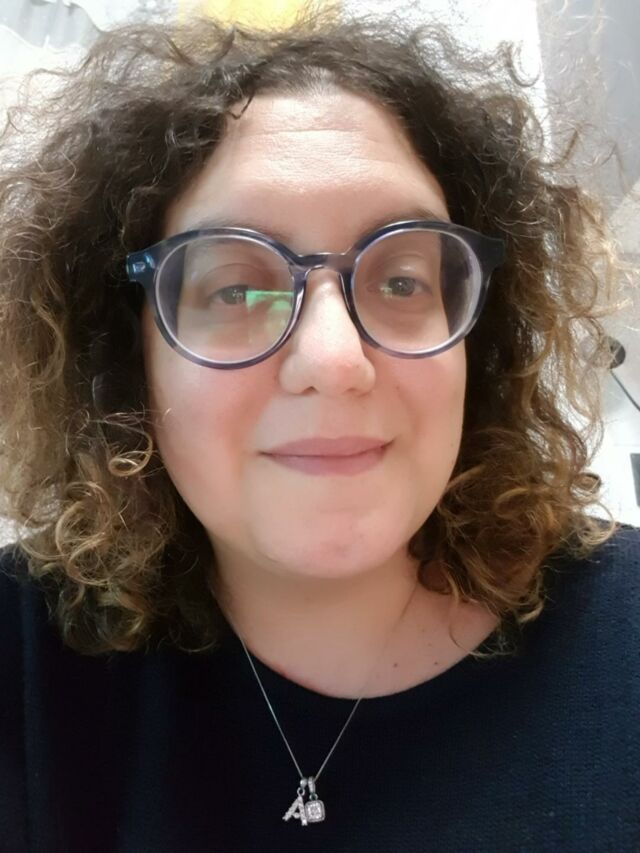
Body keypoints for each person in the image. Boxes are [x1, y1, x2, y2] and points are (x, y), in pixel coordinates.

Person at [0, 7, 638, 852]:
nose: (335, 360)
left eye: (402, 280)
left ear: (478, 346)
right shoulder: (26, 659)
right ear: (128, 357)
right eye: (237, 289)